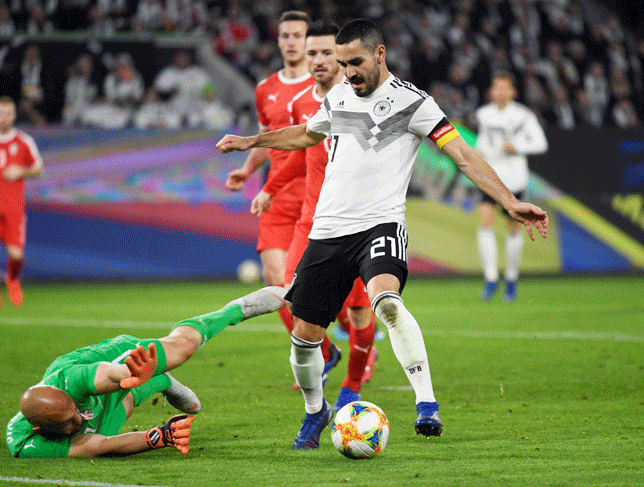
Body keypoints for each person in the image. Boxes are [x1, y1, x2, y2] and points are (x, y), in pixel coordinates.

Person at [217, 19, 549, 448]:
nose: (347, 72)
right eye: (342, 63)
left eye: (354, 62)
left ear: (379, 54)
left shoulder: (415, 103)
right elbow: (304, 134)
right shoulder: (338, 95)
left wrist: (509, 201)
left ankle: (426, 404)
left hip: (381, 224)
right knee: (304, 339)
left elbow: (464, 155)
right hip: (329, 230)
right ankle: (316, 412)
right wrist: (250, 143)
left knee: (386, 303)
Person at [248, 20, 377, 413]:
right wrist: (268, 186)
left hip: (356, 221)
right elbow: (303, 152)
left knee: (358, 309)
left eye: (325, 53)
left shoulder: (360, 101)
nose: (318, 60)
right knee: (290, 294)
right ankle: (318, 393)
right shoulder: (304, 102)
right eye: (313, 53)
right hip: (313, 221)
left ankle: (353, 382)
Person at [6, 286, 288, 458]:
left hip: (114, 360)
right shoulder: (27, 444)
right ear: (40, 430)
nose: (76, 420)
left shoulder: (69, 381)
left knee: (184, 348)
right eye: (67, 424)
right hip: (106, 405)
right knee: (113, 419)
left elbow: (105, 372)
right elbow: (100, 446)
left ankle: (234, 310)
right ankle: (159, 383)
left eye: (74, 413)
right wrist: (160, 437)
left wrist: (132, 374)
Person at [225, 11, 340, 384]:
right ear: (278, 41)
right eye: (285, 35)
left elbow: (306, 143)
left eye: (299, 36)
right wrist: (247, 169)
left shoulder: (327, 89)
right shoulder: (265, 89)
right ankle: (322, 352)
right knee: (277, 281)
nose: (292, 42)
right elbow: (269, 139)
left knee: (324, 287)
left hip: (317, 197)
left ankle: (346, 346)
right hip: (277, 194)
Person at [475, 72, 548, 302]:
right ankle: (490, 277)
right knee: (484, 221)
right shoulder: (483, 114)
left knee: (513, 227)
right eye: (497, 88)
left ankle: (511, 279)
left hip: (514, 178)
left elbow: (540, 144)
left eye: (505, 88)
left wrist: (515, 146)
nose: (501, 92)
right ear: (492, 92)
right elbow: (481, 143)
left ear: (513, 92)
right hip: (490, 176)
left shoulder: (523, 116)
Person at [0, 96, 44, 311]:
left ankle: (12, 279)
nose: (3, 117)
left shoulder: (24, 141)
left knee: (16, 255)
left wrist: (20, 171)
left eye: (8, 113)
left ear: (14, 116)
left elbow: (38, 168)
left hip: (14, 207)